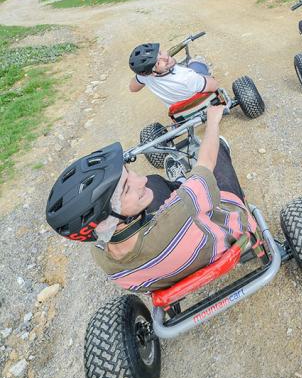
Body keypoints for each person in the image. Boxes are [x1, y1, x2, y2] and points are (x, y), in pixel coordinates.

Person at [45, 106, 258, 292]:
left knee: (154, 182)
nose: (140, 180)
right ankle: (188, 182)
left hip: (166, 271)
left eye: (129, 175)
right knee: (217, 151)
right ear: (106, 217)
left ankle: (180, 182)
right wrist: (213, 120)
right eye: (127, 188)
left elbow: (150, 195)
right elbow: (206, 161)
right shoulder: (182, 206)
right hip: (226, 237)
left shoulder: (104, 260)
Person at [129, 42, 218, 106]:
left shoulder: (145, 76)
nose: (165, 57)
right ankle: (200, 63)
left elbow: (133, 88)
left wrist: (142, 75)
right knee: (195, 63)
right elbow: (215, 85)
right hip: (196, 101)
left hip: (176, 109)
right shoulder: (186, 76)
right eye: (158, 63)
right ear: (153, 73)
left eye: (160, 53)